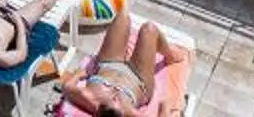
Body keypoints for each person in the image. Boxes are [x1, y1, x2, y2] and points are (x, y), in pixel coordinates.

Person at [57, 12, 192, 116]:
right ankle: (170, 55)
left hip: (108, 64)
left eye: (111, 101)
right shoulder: (130, 113)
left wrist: (79, 73)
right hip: (138, 79)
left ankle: (125, 51)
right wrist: (166, 106)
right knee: (149, 29)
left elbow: (67, 87)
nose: (115, 97)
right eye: (118, 103)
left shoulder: (90, 98)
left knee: (122, 17)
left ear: (99, 110)